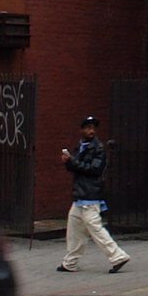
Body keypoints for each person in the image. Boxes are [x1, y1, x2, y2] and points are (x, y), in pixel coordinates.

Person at [58, 116, 129, 273]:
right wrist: (68, 162)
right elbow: (77, 169)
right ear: (81, 130)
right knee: (74, 226)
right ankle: (70, 262)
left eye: (93, 128)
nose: (91, 131)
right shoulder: (81, 145)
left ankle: (118, 256)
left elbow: (93, 170)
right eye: (88, 128)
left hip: (90, 195)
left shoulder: (98, 148)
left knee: (95, 227)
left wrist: (72, 161)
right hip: (81, 195)